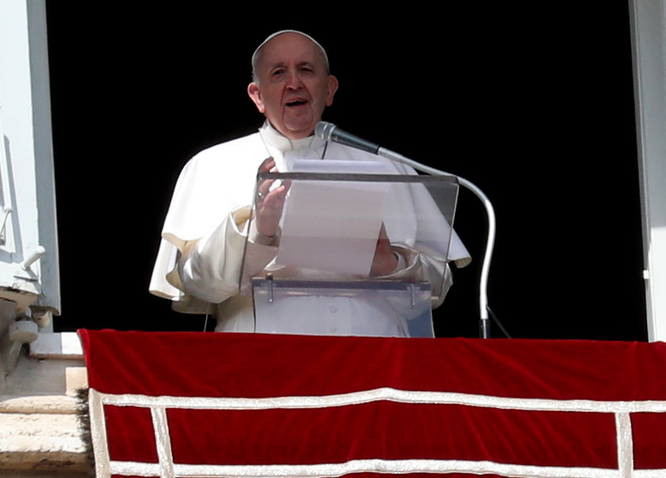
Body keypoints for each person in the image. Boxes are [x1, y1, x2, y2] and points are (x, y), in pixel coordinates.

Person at [149, 30, 470, 336]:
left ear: (329, 89)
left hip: (373, 366)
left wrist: (390, 263)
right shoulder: (213, 165)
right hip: (263, 367)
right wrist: (257, 232)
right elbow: (197, 284)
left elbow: (437, 288)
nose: (293, 83)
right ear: (257, 96)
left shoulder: (387, 167)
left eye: (306, 70)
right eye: (278, 73)